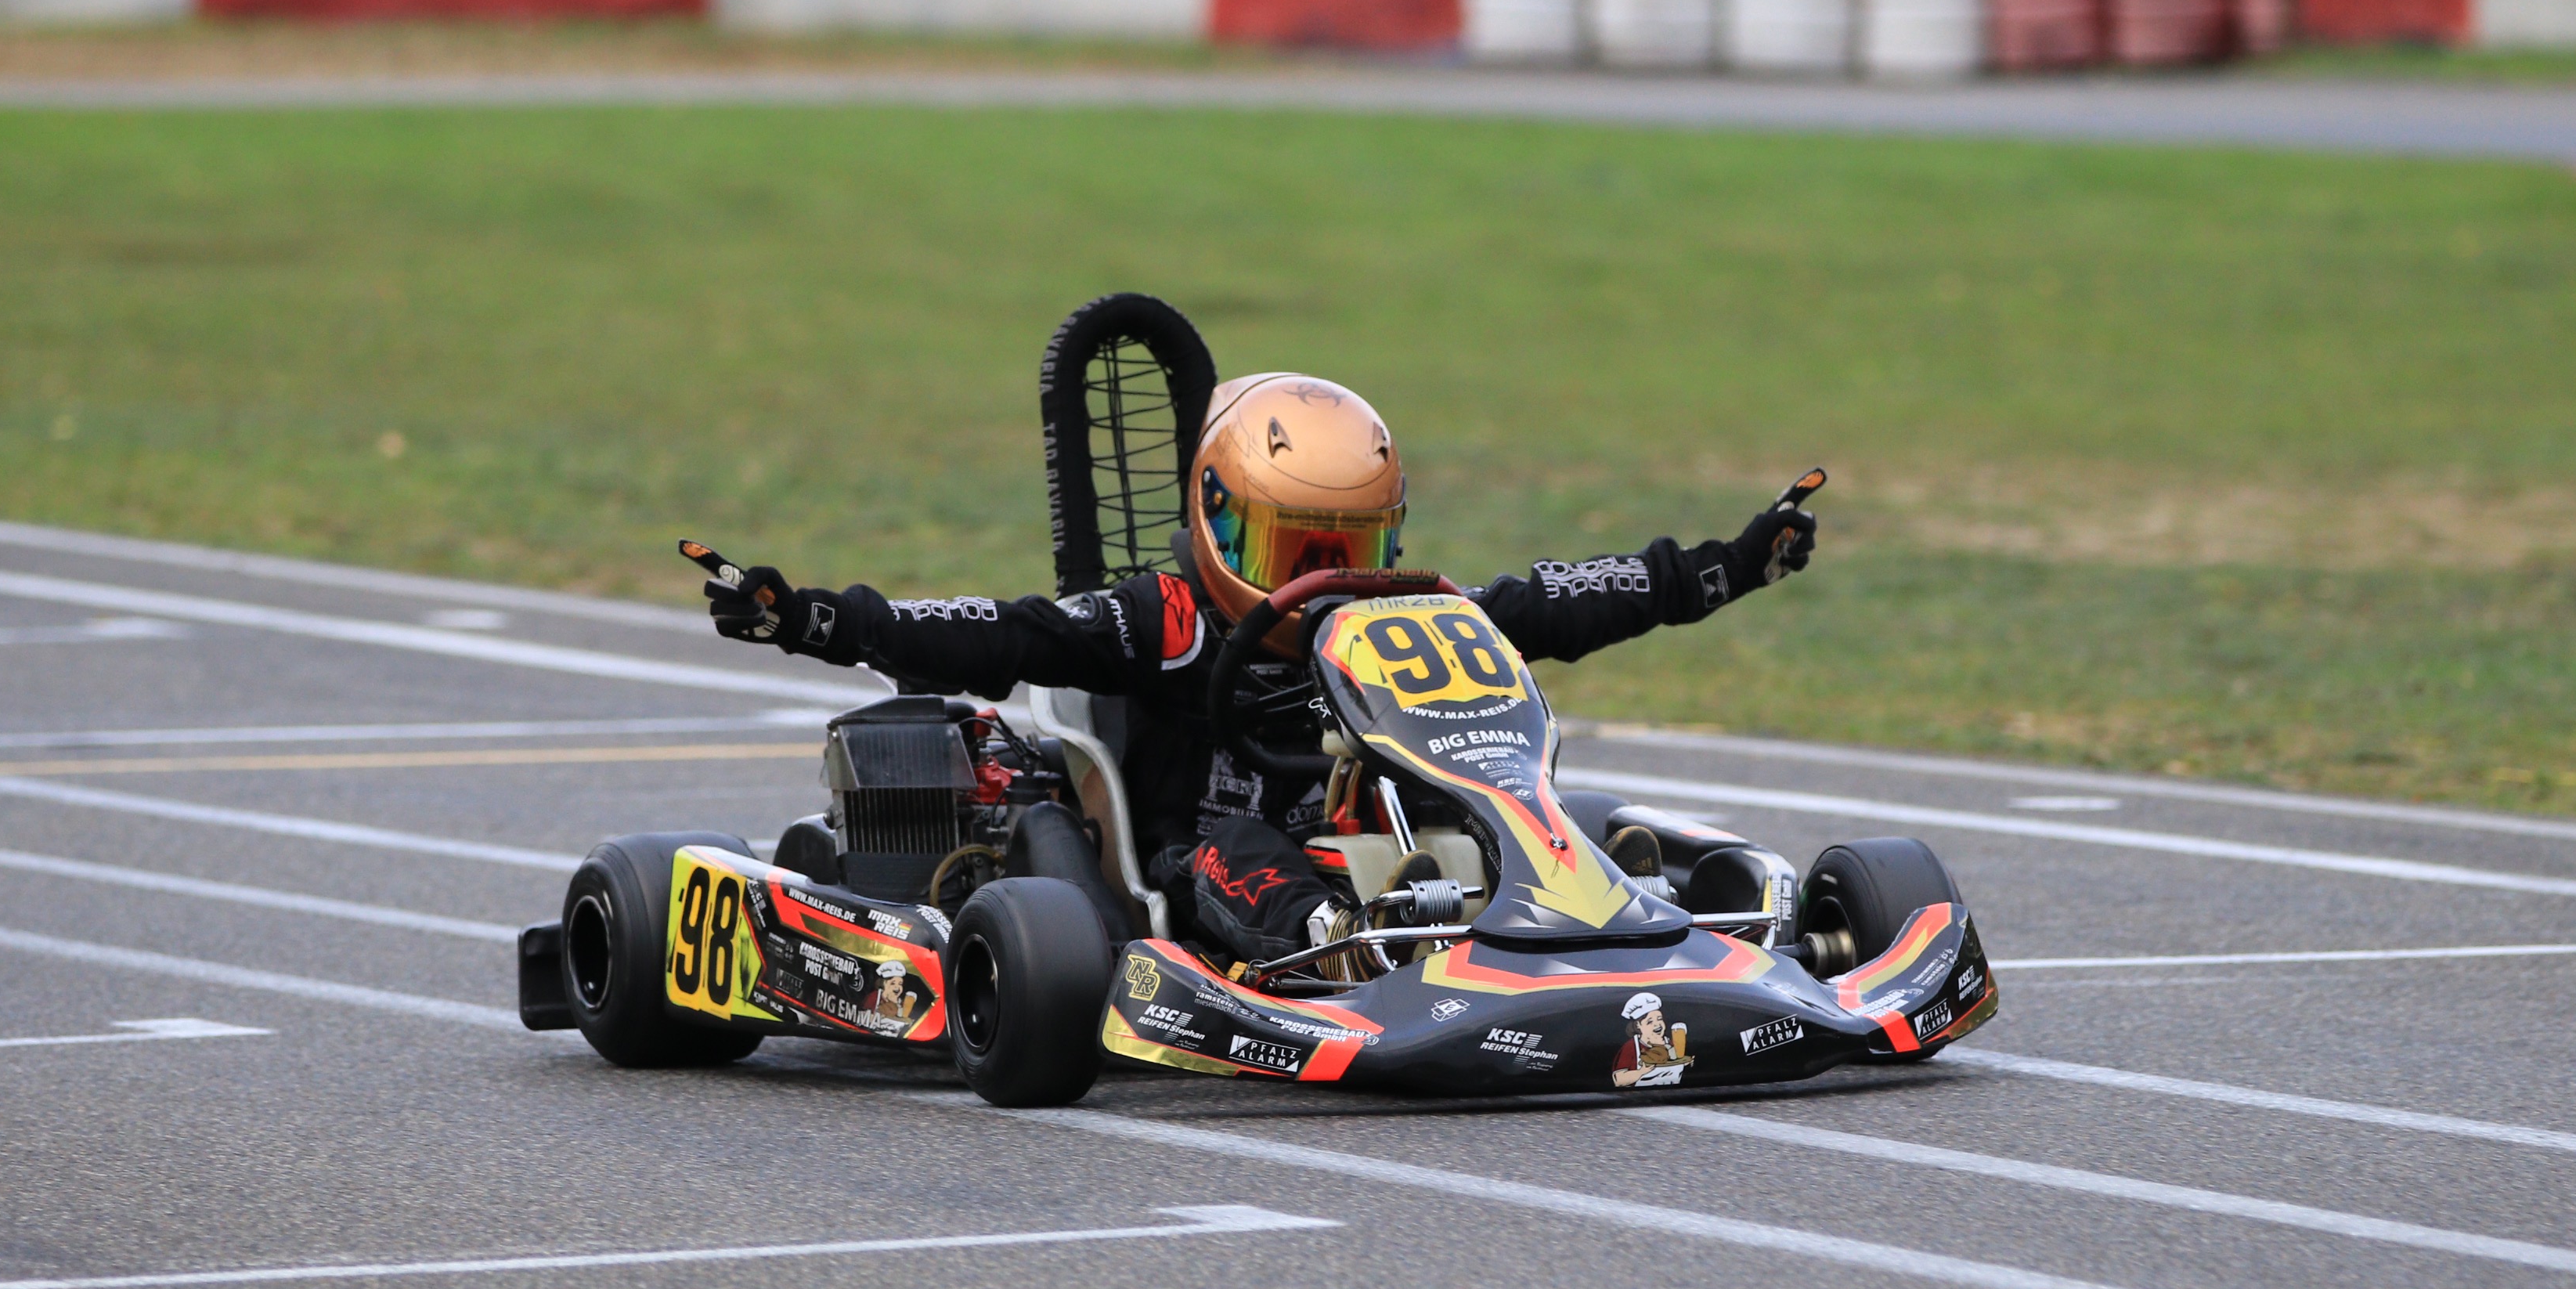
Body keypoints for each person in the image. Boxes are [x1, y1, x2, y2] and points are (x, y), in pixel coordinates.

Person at [708, 371, 1816, 964]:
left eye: (1353, 550)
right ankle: (1332, 955)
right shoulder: (1160, 621)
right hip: (1191, 873)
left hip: (1366, 848)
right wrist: (810, 617)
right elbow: (989, 636)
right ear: (1222, 524)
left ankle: (1581, 908)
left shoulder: (1406, 615)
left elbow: (1559, 602)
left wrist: (1726, 568)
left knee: (1538, 803)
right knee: (1238, 851)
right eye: (1297, 552)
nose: (1327, 579)